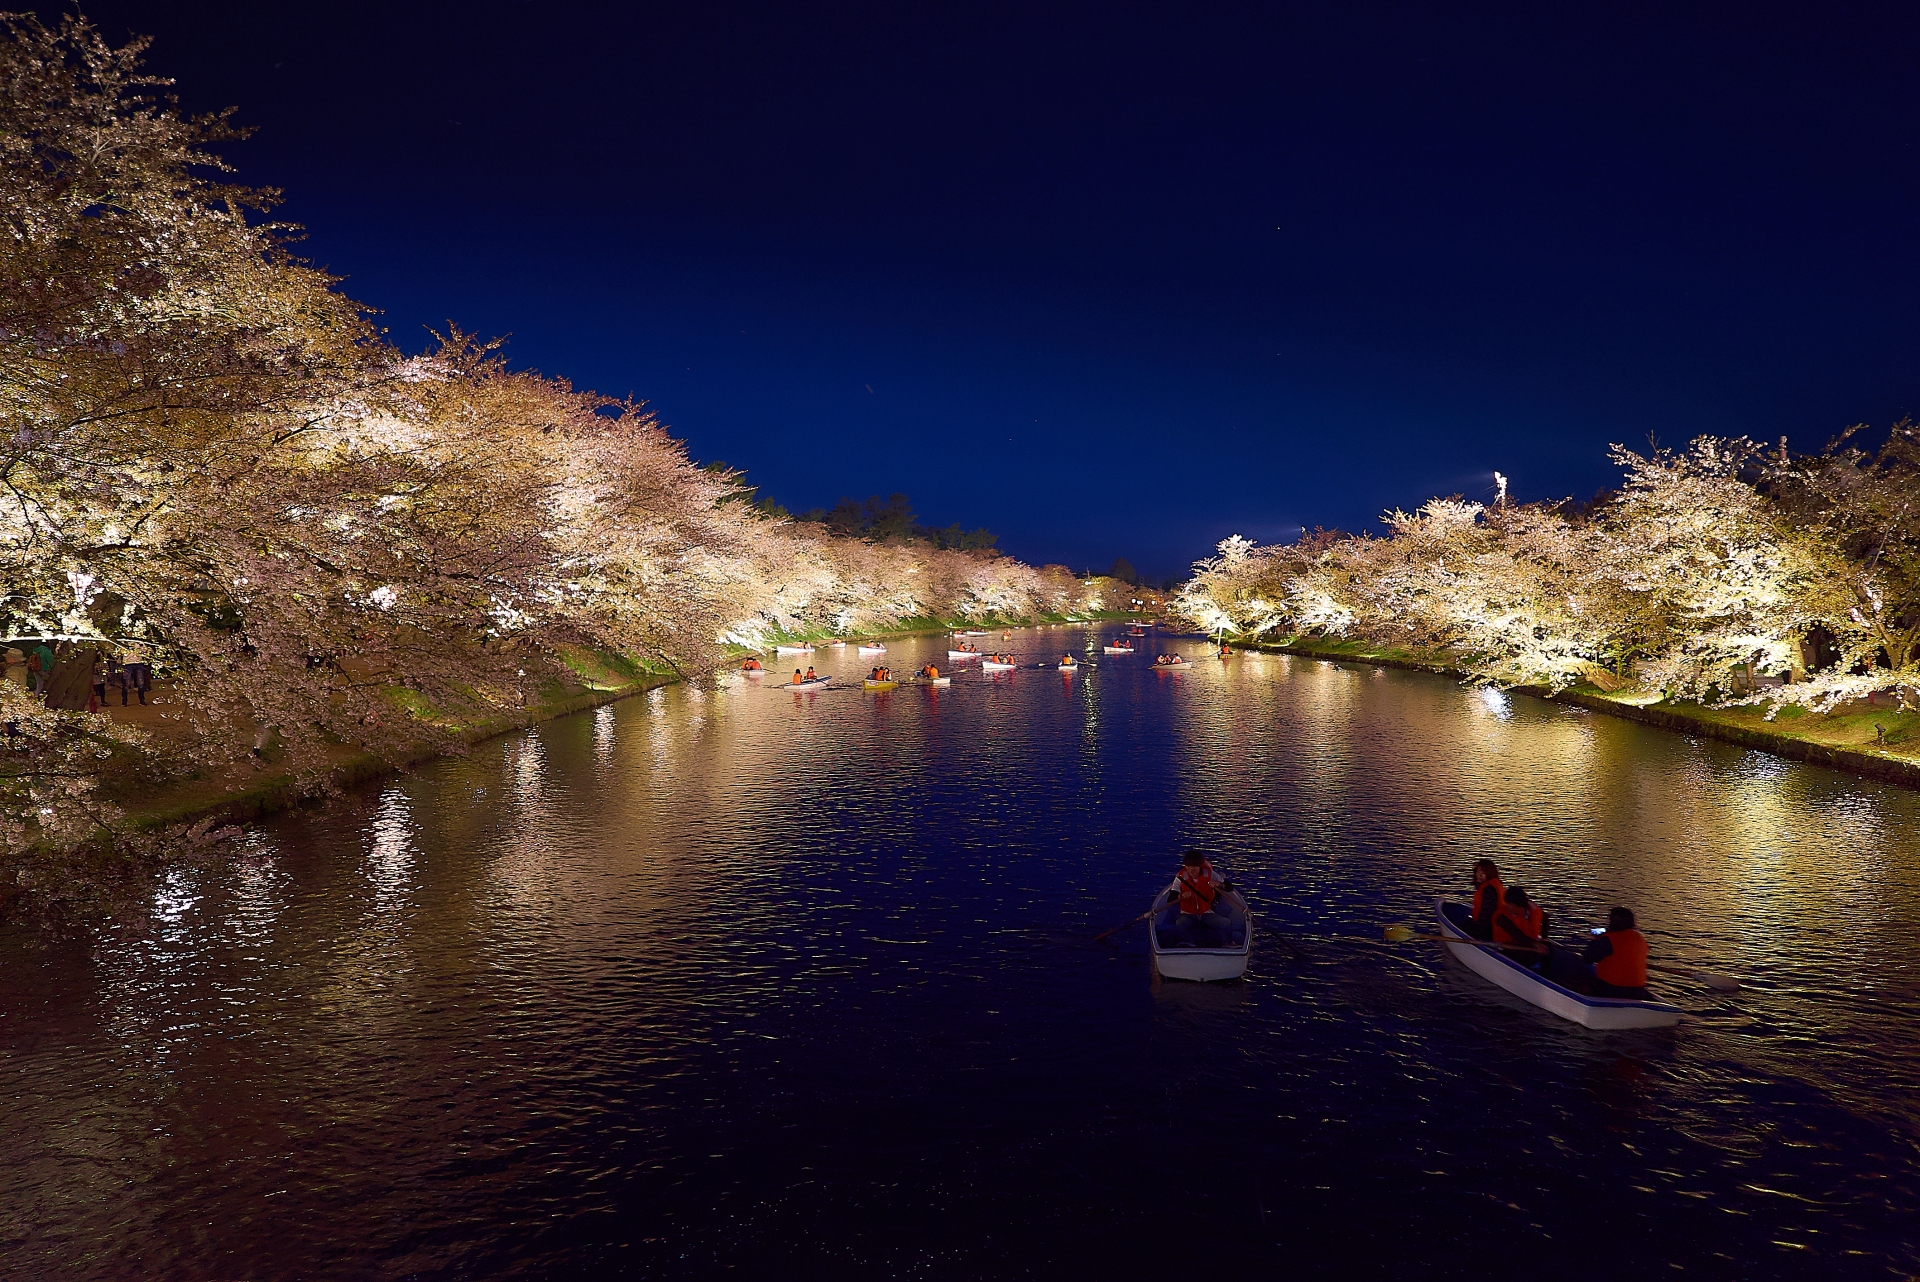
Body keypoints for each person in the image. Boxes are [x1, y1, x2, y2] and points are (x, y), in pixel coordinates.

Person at [1580, 907, 1651, 999]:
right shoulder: (1639, 938)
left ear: (1612, 922)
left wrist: (1594, 940)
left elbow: (1587, 958)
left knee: (1580, 979)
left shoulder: (1608, 940)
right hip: (1638, 990)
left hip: (1613, 989)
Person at [1491, 885, 1549, 969]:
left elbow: (1545, 918)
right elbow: (1517, 935)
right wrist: (1536, 944)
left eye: (1509, 904)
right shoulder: (1501, 917)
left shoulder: (1534, 911)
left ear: (1518, 905)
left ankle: (1543, 970)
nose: (1506, 906)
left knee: (1548, 947)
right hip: (1507, 948)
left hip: (1528, 944)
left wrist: (1544, 938)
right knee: (1533, 954)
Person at [1468, 859, 1505, 939]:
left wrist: (1477, 931)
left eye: (1483, 873)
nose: (1479, 875)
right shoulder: (1495, 885)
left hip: (1489, 931)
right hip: (1494, 928)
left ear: (1490, 874)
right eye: (1478, 872)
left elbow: (1486, 915)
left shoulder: (1489, 890)